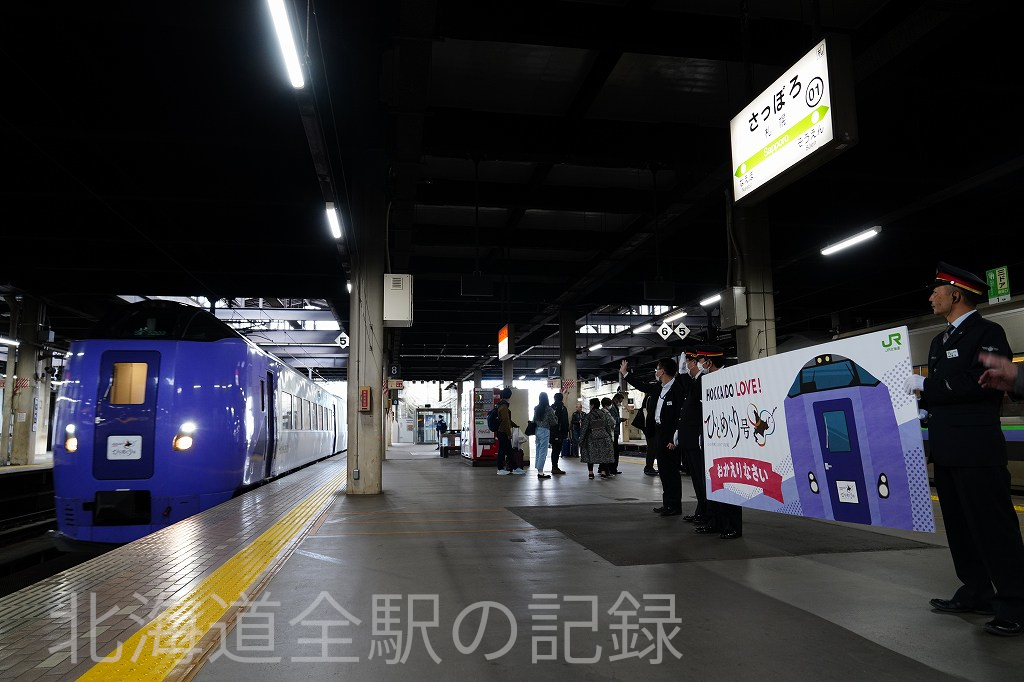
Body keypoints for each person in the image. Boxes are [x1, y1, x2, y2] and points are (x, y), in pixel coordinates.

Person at [903, 261, 1024, 636]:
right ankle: (975, 591)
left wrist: (927, 389)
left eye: (936, 290)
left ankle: (1016, 605)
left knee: (994, 528)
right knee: (959, 527)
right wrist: (922, 405)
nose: (931, 296)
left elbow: (983, 382)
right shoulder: (940, 342)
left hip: (976, 449)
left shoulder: (987, 332)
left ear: (956, 294)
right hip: (948, 449)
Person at [620, 357, 689, 516]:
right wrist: (625, 374)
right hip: (658, 432)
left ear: (663, 371)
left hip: (670, 435)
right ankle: (667, 504)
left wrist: (674, 438)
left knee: (671, 471)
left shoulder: (677, 389)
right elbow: (642, 386)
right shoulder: (659, 387)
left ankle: (675, 506)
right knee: (664, 471)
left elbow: (680, 415)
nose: (655, 372)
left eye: (657, 369)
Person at [690, 345, 742, 539]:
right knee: (712, 482)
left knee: (729, 483)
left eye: (702, 360)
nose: (699, 364)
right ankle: (715, 521)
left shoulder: (730, 377)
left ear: (709, 362)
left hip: (729, 439)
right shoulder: (706, 380)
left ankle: (733, 525)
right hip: (711, 437)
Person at [679, 351, 708, 524]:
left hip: (698, 438)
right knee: (696, 478)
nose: (689, 364)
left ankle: (706, 512)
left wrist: (685, 374)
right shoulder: (697, 381)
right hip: (691, 438)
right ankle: (701, 510)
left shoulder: (704, 381)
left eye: (691, 361)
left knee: (701, 478)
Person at [579, 397, 615, 478]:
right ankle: (603, 472)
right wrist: (609, 436)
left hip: (592, 438)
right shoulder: (603, 414)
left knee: (590, 455)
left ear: (592, 405)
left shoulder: (589, 416)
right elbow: (608, 426)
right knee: (603, 455)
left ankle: (591, 473)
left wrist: (581, 440)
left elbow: (584, 429)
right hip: (604, 437)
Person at [495, 389, 526, 476]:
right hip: (503, 432)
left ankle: (515, 468)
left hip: (501, 431)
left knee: (509, 451)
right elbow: (505, 421)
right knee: (502, 451)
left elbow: (507, 420)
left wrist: (515, 425)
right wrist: (509, 434)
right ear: (509, 396)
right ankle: (500, 469)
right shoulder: (504, 407)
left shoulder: (501, 405)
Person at [532, 392, 559, 479]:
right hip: (545, 431)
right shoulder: (549, 409)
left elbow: (534, 420)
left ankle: (539, 469)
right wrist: (556, 416)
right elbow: (554, 422)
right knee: (543, 451)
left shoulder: (536, 408)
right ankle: (540, 472)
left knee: (538, 450)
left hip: (537, 430)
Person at [549, 392, 570, 474]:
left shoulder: (551, 407)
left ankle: (554, 466)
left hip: (552, 431)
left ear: (554, 398)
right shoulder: (562, 408)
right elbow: (565, 422)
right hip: (559, 432)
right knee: (557, 450)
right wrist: (565, 433)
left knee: (554, 449)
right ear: (562, 399)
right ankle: (555, 467)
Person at [639, 392, 658, 475]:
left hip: (648, 427)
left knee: (652, 447)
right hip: (650, 427)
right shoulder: (651, 398)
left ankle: (649, 466)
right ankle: (648, 467)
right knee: (652, 447)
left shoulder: (647, 398)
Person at [609, 393, 626, 474]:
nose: (620, 402)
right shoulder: (612, 407)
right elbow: (612, 419)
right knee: (614, 451)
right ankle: (612, 469)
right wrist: (620, 419)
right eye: (620, 401)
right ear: (616, 399)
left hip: (615, 431)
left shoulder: (614, 406)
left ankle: (612, 468)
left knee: (614, 450)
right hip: (613, 432)